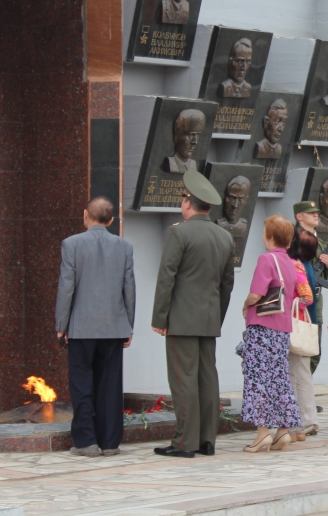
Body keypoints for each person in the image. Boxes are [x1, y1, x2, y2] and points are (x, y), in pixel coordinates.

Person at [151, 171, 235, 458]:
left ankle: (185, 442)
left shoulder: (179, 232)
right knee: (207, 378)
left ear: (189, 203)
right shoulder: (225, 237)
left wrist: (160, 318)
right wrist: (217, 317)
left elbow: (167, 278)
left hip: (182, 319)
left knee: (184, 379)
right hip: (209, 319)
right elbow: (227, 284)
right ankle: (207, 440)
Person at [55, 197, 136, 457]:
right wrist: (128, 326)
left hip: (81, 327)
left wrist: (61, 325)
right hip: (114, 328)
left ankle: (86, 441)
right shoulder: (124, 246)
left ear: (85, 215)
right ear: (111, 220)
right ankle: (110, 442)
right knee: (110, 385)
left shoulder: (72, 244)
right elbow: (129, 289)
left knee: (82, 385)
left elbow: (67, 287)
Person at [240, 215, 302, 453]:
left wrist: (246, 304)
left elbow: (257, 293)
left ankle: (262, 433)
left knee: (258, 379)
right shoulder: (289, 261)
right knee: (279, 378)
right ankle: (283, 431)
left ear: (270, 236)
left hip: (262, 328)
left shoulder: (267, 259)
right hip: (282, 329)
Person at [293, 200, 328, 376]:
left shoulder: (321, 243)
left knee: (314, 350)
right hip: (299, 301)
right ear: (299, 216)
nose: (316, 214)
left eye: (316, 212)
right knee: (297, 348)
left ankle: (304, 394)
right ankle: (297, 395)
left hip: (316, 300)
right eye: (311, 213)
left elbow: (324, 278)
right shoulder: (293, 240)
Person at [288, 230, 320, 441]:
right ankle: (306, 420)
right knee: (301, 373)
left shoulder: (296, 265)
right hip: (302, 322)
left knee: (297, 374)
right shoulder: (304, 264)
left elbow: (307, 296)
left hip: (295, 324)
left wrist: (290, 305)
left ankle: (303, 421)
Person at [161, 109, 205, 173]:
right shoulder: (170, 163)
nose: (195, 142)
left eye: (197, 135)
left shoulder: (193, 164)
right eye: (190, 135)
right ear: (176, 136)